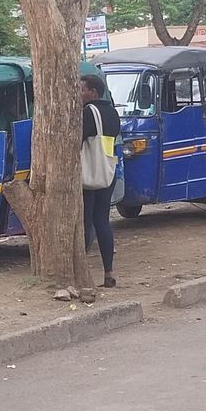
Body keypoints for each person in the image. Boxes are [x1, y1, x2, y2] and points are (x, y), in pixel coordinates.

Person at [79, 75, 121, 287]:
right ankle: (109, 272)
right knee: (103, 222)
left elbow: (76, 142)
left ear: (93, 92)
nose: (79, 94)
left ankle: (82, 274)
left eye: (82, 89)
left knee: (85, 224)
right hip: (106, 174)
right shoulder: (113, 113)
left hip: (88, 176)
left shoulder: (88, 113)